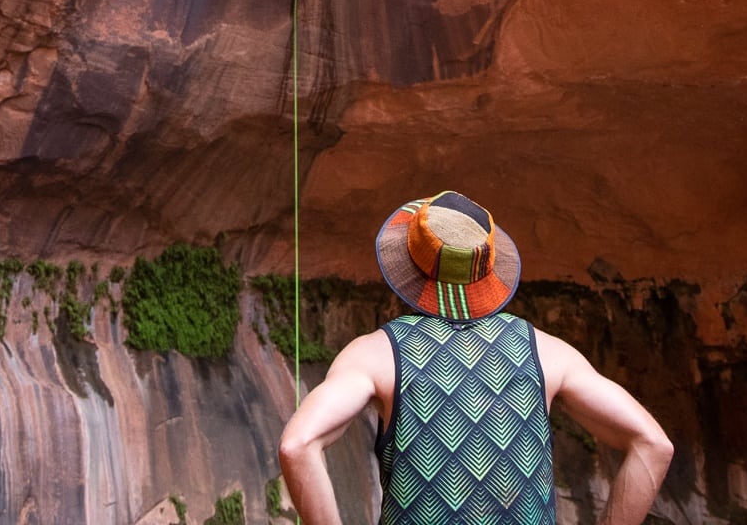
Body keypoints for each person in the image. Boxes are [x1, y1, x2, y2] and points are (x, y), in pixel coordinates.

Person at [279, 191, 675, 525]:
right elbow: (653, 445)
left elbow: (298, 445)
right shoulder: (549, 353)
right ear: (486, 271)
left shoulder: (375, 355)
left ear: (409, 267)